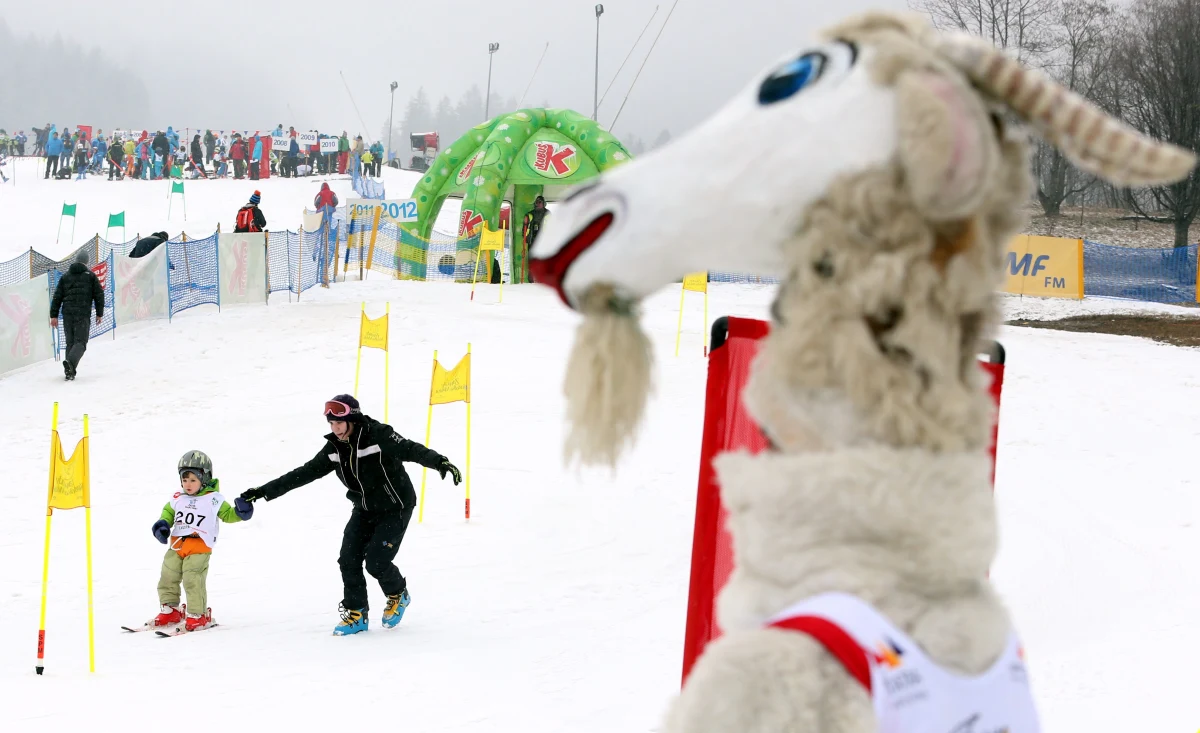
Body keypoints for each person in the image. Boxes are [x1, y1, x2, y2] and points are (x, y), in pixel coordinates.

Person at [239, 395, 462, 636]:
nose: (335, 429)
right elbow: (303, 474)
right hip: (364, 509)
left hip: (395, 507)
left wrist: (440, 462)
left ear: (352, 419)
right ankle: (357, 613)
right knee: (348, 559)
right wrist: (262, 492)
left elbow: (410, 449)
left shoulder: (378, 435)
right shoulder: (335, 448)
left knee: (377, 562)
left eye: (339, 423)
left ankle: (398, 594)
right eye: (331, 424)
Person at [147, 451, 254, 633]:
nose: (187, 484)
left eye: (193, 480)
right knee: (168, 575)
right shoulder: (178, 498)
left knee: (192, 579)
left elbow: (228, 515)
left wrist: (241, 513)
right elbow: (168, 513)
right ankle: (170, 610)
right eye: (184, 479)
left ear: (204, 478)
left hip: (199, 546)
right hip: (177, 545)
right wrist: (162, 525)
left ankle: (198, 615)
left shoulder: (213, 499)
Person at [49, 250, 104, 381]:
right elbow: (99, 295)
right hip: (82, 313)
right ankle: (70, 364)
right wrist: (99, 313)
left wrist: (54, 315)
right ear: (86, 262)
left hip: (67, 314)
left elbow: (57, 297)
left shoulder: (66, 276)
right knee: (81, 342)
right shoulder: (90, 276)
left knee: (70, 342)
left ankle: (69, 371)